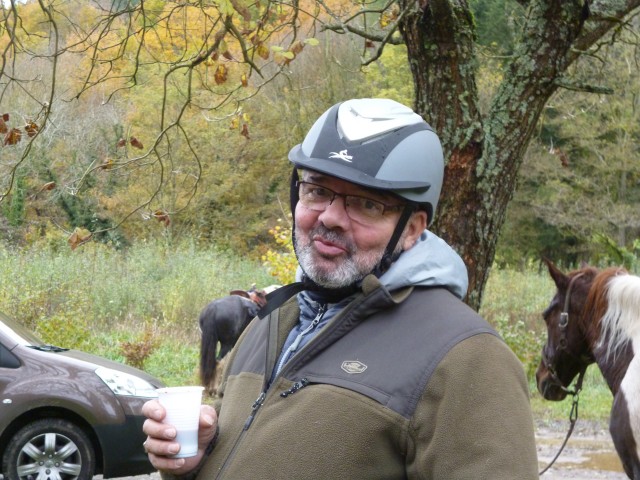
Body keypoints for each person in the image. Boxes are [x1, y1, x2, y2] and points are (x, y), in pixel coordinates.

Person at [142, 98, 540, 479]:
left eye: (366, 203)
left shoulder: (467, 358)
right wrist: (196, 463)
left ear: (412, 229)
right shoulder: (271, 320)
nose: (330, 217)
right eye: (317, 190)